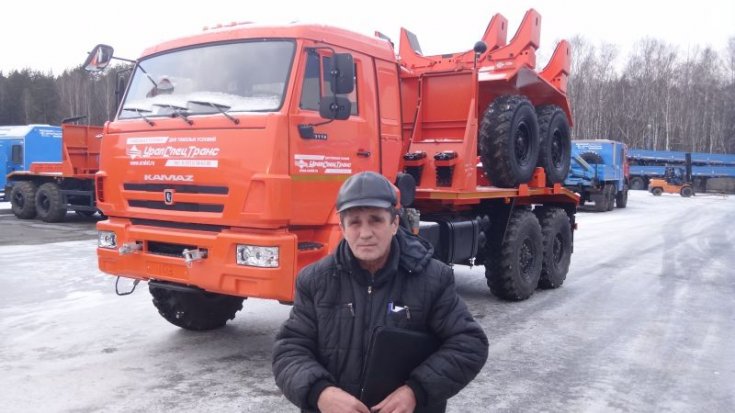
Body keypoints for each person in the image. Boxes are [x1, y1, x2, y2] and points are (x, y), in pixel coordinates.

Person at [272, 171, 489, 413]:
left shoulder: (432, 278)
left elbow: (469, 344)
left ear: (394, 224)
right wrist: (321, 393)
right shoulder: (315, 281)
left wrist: (415, 391)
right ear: (342, 226)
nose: (365, 233)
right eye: (355, 222)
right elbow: (289, 351)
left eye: (375, 220)